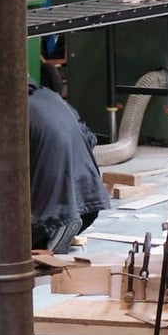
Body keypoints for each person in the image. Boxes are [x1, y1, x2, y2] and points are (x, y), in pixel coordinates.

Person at [24, 80, 107, 255]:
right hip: (90, 203)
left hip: (51, 215)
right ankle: (62, 223)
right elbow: (90, 138)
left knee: (6, 243)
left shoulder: (8, 114)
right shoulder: (52, 97)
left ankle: (56, 228)